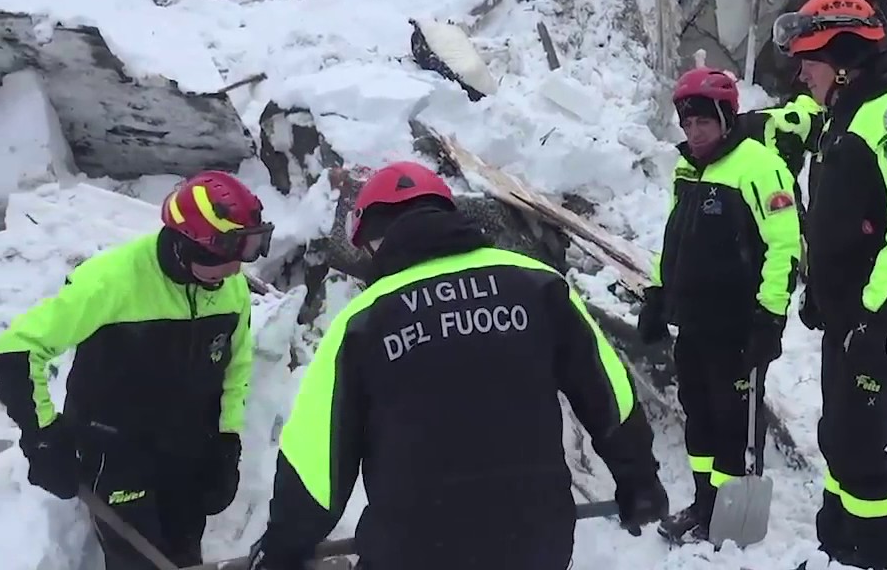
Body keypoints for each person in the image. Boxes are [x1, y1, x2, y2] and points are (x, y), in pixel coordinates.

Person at [245, 161, 668, 570]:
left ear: (374, 235)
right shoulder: (538, 284)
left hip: (415, 548)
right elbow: (610, 397)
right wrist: (639, 480)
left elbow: (318, 455)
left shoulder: (364, 321)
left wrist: (286, 541)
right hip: (535, 540)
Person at [0, 170, 270, 569]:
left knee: (184, 556)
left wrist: (227, 442)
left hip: (188, 449)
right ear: (187, 246)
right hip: (116, 453)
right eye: (225, 260)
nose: (234, 273)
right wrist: (43, 439)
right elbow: (17, 349)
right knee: (139, 561)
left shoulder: (231, 290)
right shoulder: (112, 282)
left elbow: (236, 365)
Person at [773, 0, 887, 570]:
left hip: (885, 319)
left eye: (809, 61)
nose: (801, 74)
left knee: (858, 444)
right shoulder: (848, 112)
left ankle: (878, 557)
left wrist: (878, 316)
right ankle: (839, 548)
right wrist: (825, 296)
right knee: (838, 436)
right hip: (851, 316)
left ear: (843, 57)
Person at [637, 67, 802, 544]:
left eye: (703, 121)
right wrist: (656, 292)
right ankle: (705, 502)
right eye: (687, 123)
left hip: (739, 326)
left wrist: (770, 317)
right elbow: (674, 238)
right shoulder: (689, 167)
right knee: (700, 415)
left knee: (736, 422)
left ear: (726, 118)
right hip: (694, 323)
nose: (694, 131)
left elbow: (784, 245)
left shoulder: (758, 166)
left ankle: (734, 520)